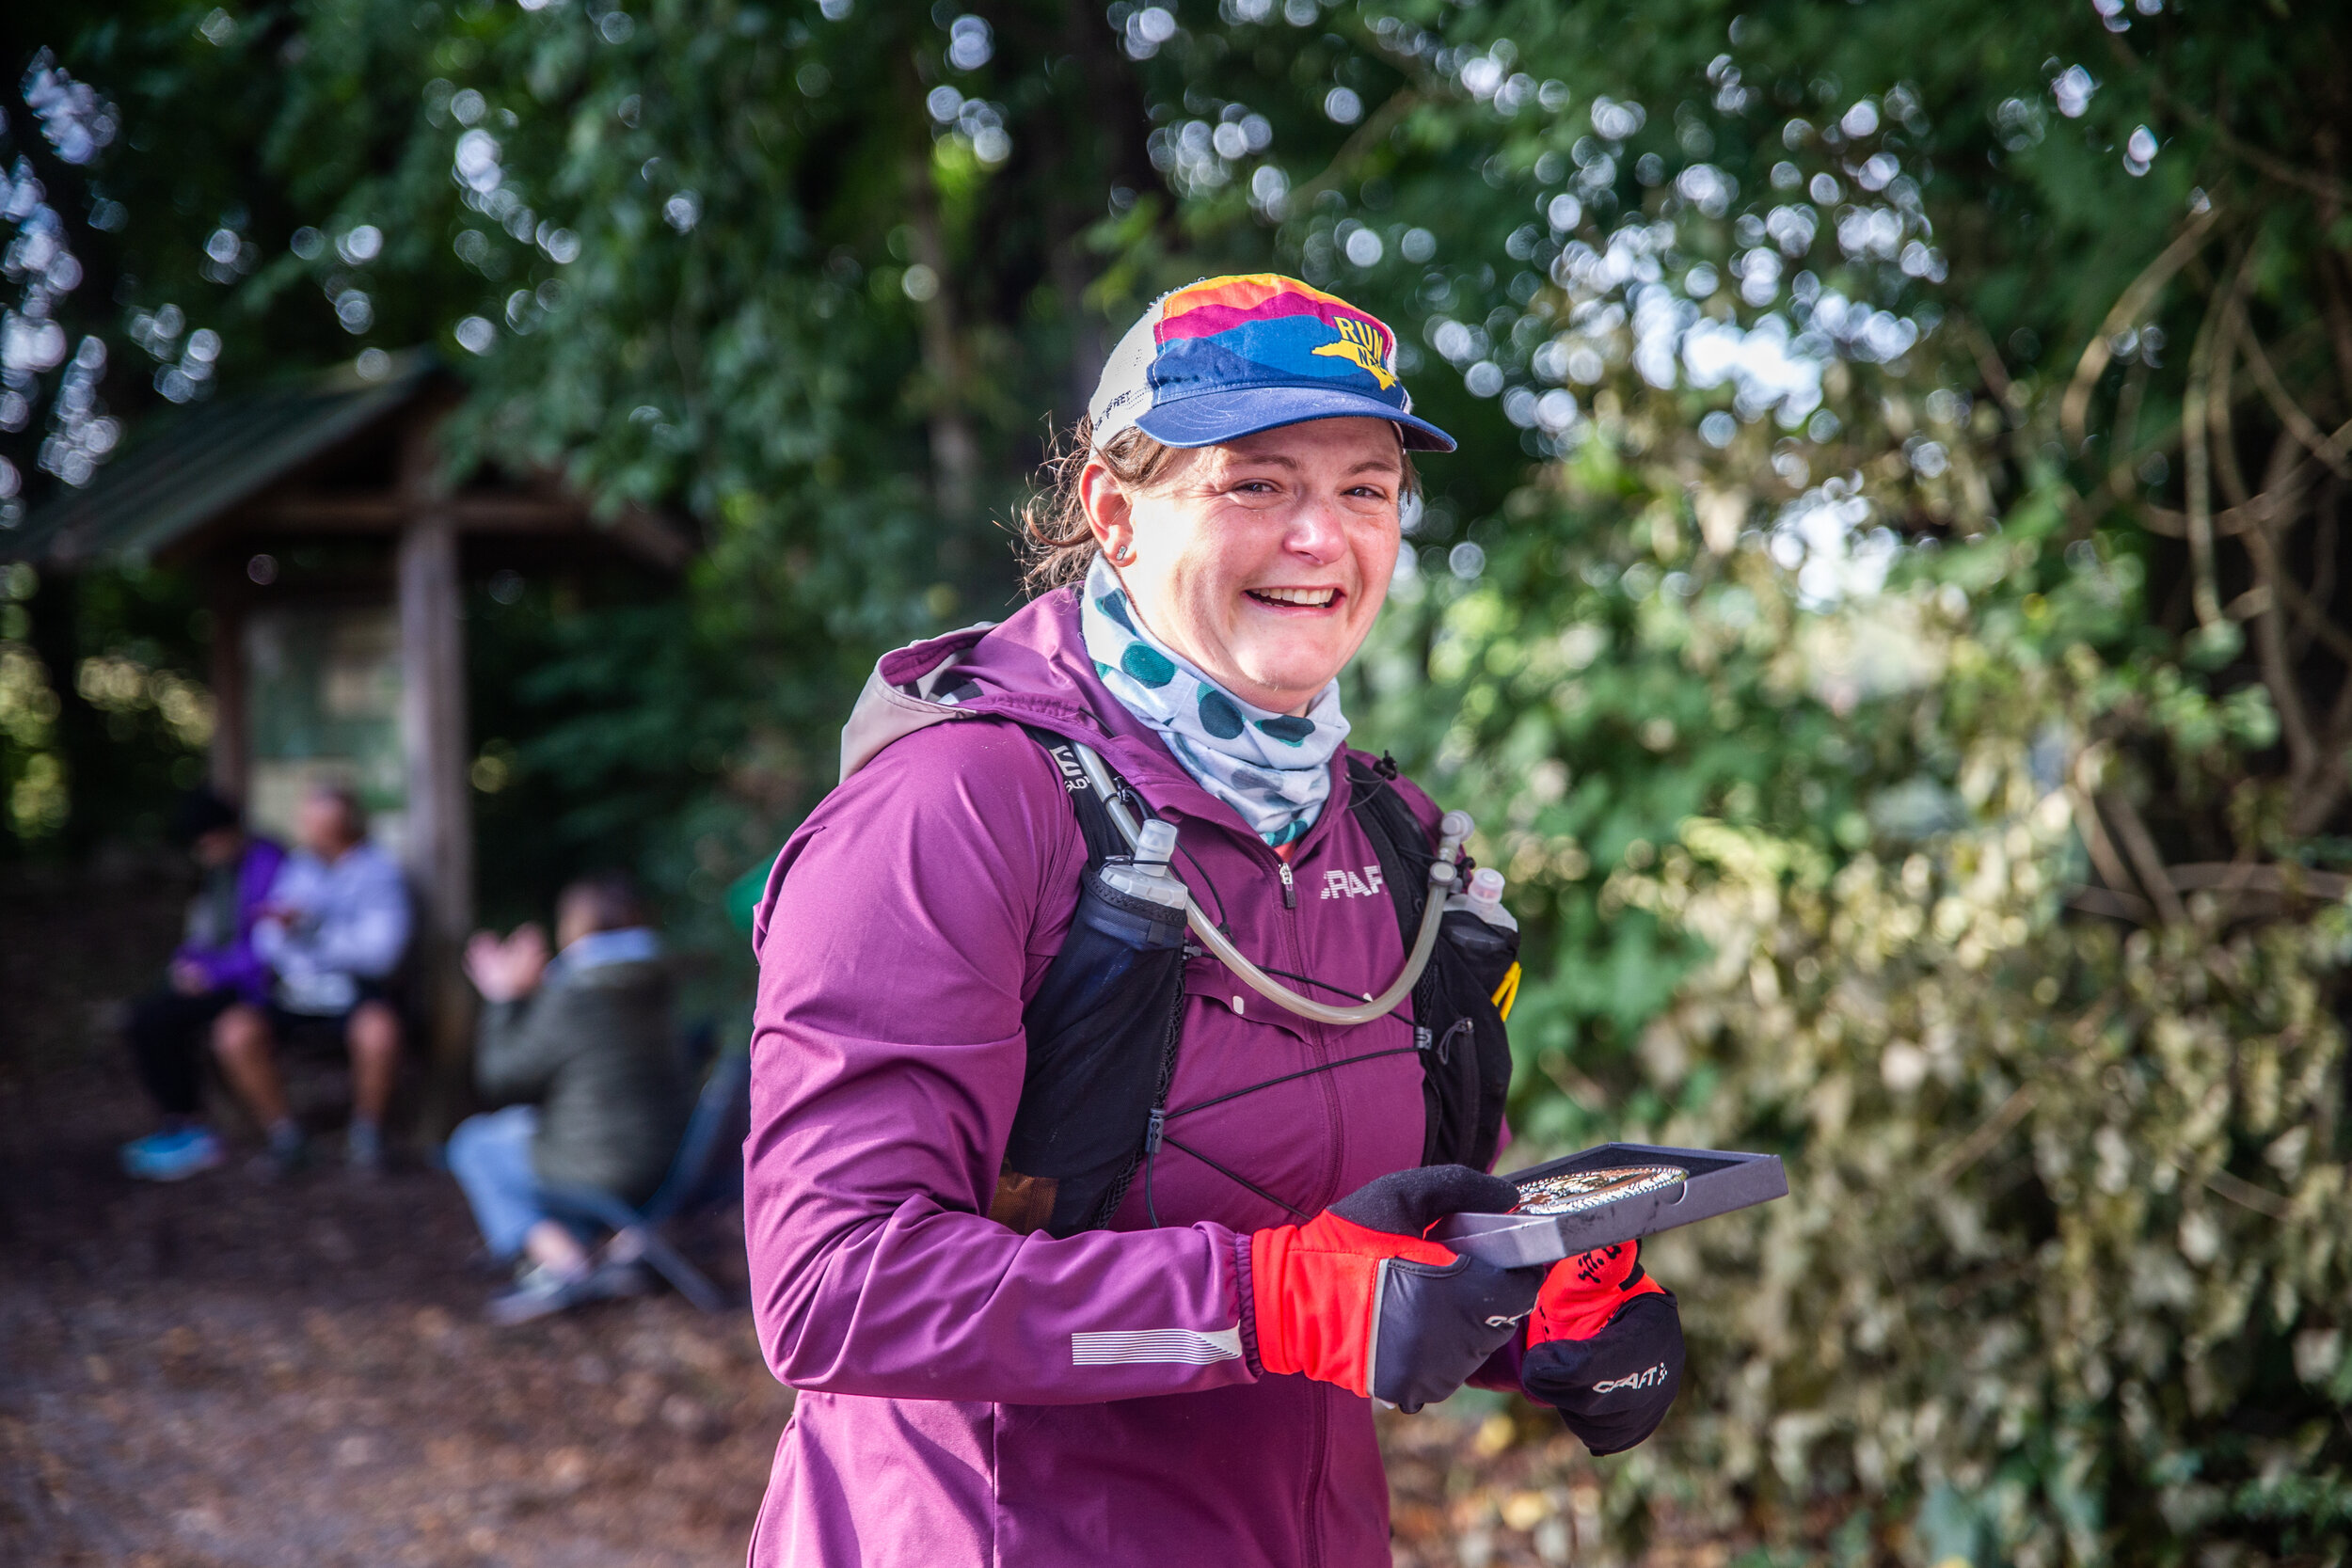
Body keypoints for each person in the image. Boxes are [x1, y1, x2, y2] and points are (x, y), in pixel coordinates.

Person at [744, 275, 1686, 1565]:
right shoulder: (955, 807)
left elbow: (1383, 1244)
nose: (1321, 536)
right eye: (1255, 482)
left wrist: (1535, 1308)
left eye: (1365, 488)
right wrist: (1270, 1299)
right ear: (1114, 512)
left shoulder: (1388, 831)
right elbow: (833, 1288)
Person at [447, 871, 690, 1324]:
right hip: (674, 1157)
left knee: (474, 1143)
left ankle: (563, 1265)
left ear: (574, 927)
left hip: (610, 1165)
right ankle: (614, 1250)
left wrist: (503, 999)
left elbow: (501, 1080)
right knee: (523, 1130)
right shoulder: (656, 981)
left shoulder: (576, 994)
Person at [211, 783, 412, 1176]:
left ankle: (367, 1138)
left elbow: (381, 953)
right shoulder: (298, 868)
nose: (305, 831)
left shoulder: (380, 873)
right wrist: (297, 937)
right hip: (292, 994)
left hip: (353, 993)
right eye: (306, 822)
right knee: (233, 1033)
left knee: (379, 1033)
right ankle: (285, 1138)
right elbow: (267, 941)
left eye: (316, 824)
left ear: (345, 826)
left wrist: (309, 932)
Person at [118, 791, 288, 1181]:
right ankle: (182, 1123)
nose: (203, 851)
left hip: (256, 987)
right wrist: (187, 965)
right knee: (147, 1017)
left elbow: (269, 946)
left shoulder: (267, 865)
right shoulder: (220, 873)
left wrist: (213, 975)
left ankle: (191, 1130)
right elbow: (206, 934)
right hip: (224, 978)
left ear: (227, 833)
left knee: (159, 1020)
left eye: (207, 842)